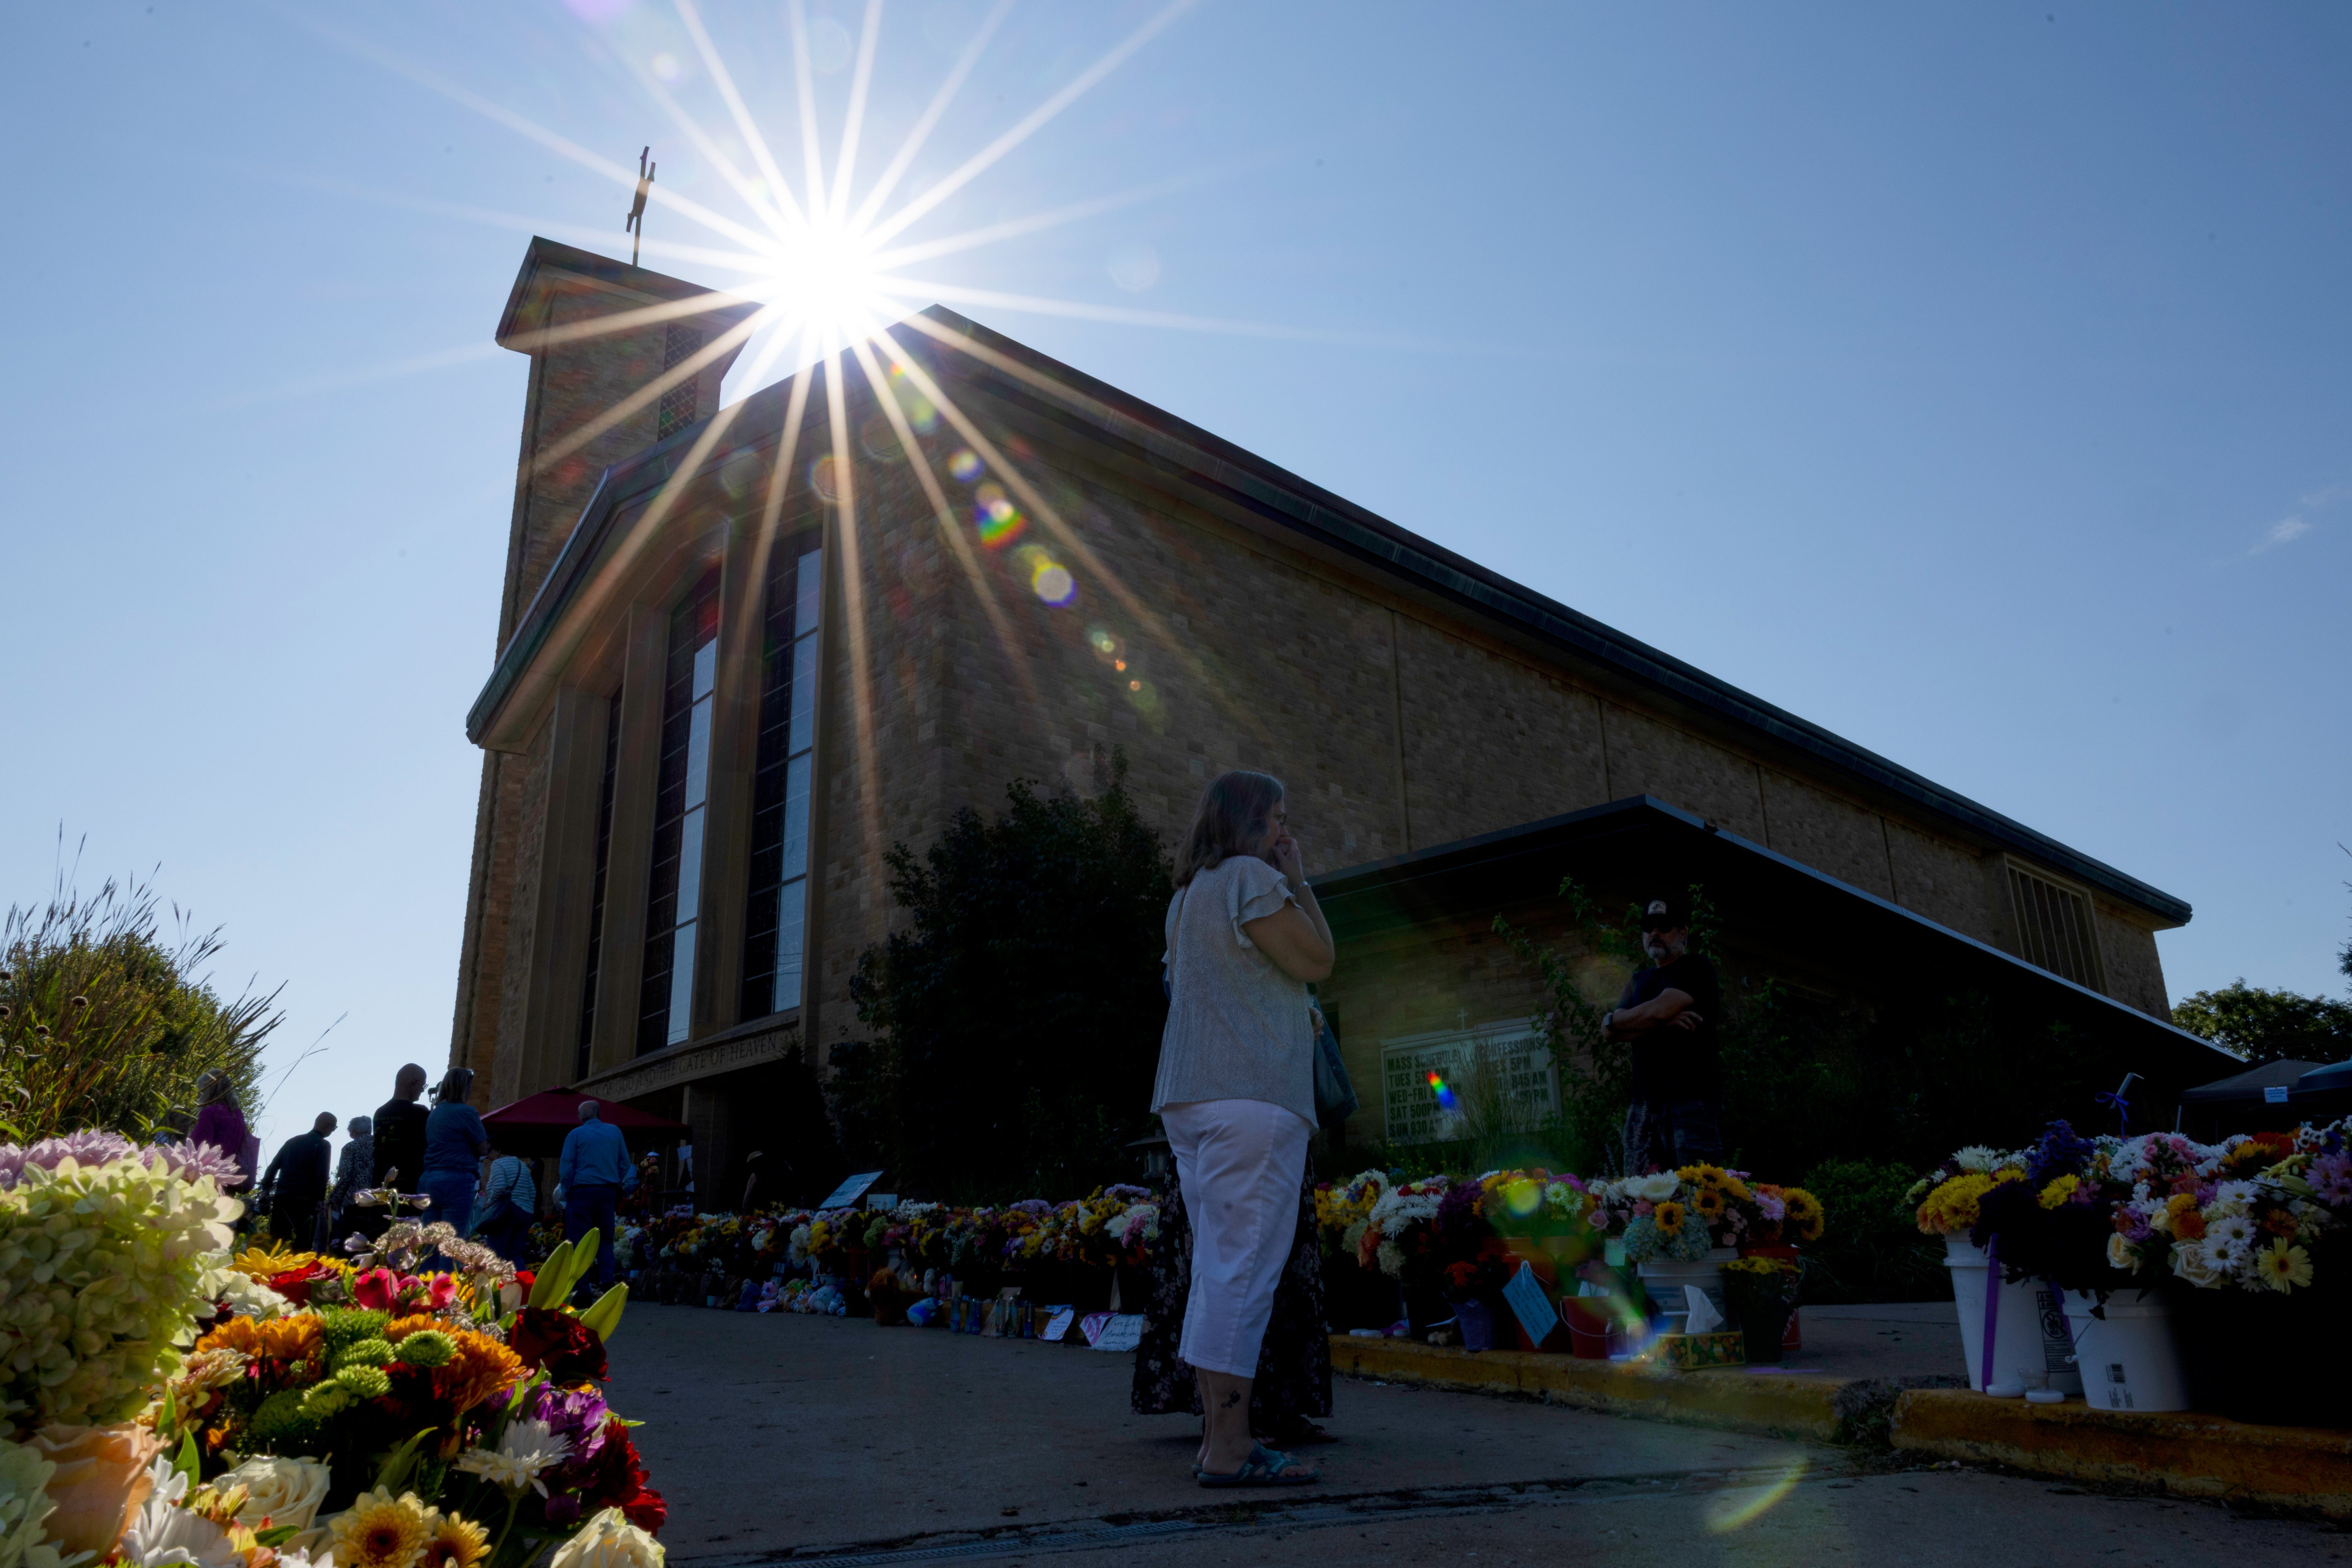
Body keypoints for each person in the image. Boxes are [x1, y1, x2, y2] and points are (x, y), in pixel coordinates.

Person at [1150, 769, 1334, 1488]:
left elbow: (1180, 985)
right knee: (1243, 1271)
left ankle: (1218, 1438)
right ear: (1250, 821)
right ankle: (1229, 1446)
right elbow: (1319, 959)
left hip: (1190, 1096)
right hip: (1251, 1096)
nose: (1286, 831)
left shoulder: (1185, 897)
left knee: (1215, 1269)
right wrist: (1301, 879)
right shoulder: (1253, 880)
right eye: (1279, 818)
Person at [1602, 894, 1725, 1174]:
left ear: (1683, 934)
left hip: (1691, 1101)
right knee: (1637, 1196)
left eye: (1664, 926)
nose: (1655, 934)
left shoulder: (1696, 967)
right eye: (1649, 928)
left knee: (1697, 1194)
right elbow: (1609, 1032)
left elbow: (1656, 1011)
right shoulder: (1639, 980)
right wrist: (1661, 1022)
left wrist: (1626, 1022)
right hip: (1642, 1105)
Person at [556, 1100, 637, 1297]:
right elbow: (625, 1164)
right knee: (606, 1238)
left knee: (579, 1240)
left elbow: (567, 1167)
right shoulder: (615, 1132)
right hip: (607, 1192)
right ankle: (607, 1282)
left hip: (581, 1192)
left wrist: (566, 1192)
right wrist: (615, 1182)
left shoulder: (575, 1135)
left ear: (581, 1117)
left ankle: (582, 1289)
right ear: (599, 1114)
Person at [420, 1068, 490, 1236]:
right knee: (452, 1245)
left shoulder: (435, 1113)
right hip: (456, 1180)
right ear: (464, 1088)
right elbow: (483, 1148)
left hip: (430, 1179)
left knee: (430, 1245)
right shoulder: (467, 1112)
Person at [257, 1113, 337, 1250]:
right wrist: (320, 1200)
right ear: (326, 1126)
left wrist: (265, 1190)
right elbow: (322, 1175)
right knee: (303, 1246)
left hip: (282, 1199)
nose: (333, 1131)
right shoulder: (324, 1145)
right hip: (305, 1202)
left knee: (277, 1244)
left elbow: (272, 1168)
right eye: (334, 1128)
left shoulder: (292, 1142)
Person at [474, 1140, 538, 1265]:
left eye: (489, 1151)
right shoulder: (522, 1165)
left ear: (498, 1151)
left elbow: (499, 1187)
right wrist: (525, 1206)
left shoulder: (499, 1163)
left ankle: (496, 1284)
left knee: (495, 1256)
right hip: (526, 1213)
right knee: (514, 1255)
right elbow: (533, 1192)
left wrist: (490, 1203)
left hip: (505, 1214)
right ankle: (523, 1283)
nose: (488, 1155)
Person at [371, 1064, 431, 1195]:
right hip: (408, 1186)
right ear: (414, 1084)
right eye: (423, 1086)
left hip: (380, 1183)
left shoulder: (380, 1112)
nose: (422, 1091)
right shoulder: (421, 1113)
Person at [189, 1071, 252, 1191]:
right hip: (230, 1177)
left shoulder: (210, 1112)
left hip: (208, 1178)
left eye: (201, 1089)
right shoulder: (238, 1115)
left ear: (209, 1090)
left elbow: (200, 1147)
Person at [328, 1115, 373, 1239]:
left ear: (354, 1131)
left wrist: (333, 1199)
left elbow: (346, 1177)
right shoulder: (379, 1145)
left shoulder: (350, 1147)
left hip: (354, 1200)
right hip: (377, 1199)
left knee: (351, 1240)